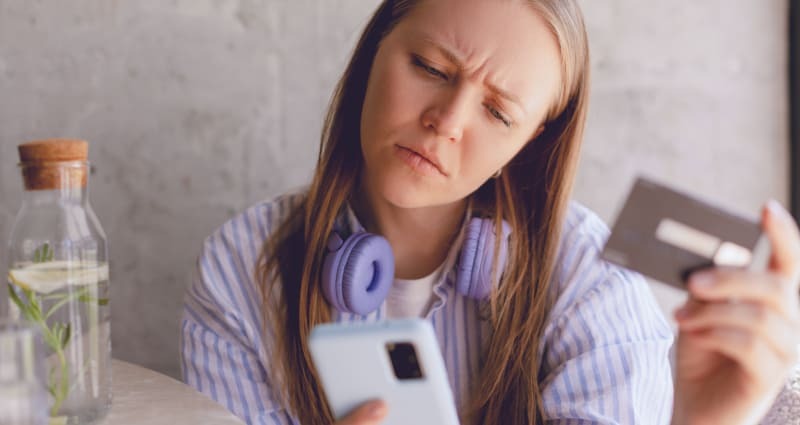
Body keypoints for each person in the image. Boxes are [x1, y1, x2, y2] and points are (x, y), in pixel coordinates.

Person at [179, 0, 800, 424]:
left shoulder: (587, 275)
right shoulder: (243, 266)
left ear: (527, 144)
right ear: (374, 52)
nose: (445, 123)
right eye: (429, 68)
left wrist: (704, 419)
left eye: (498, 113)